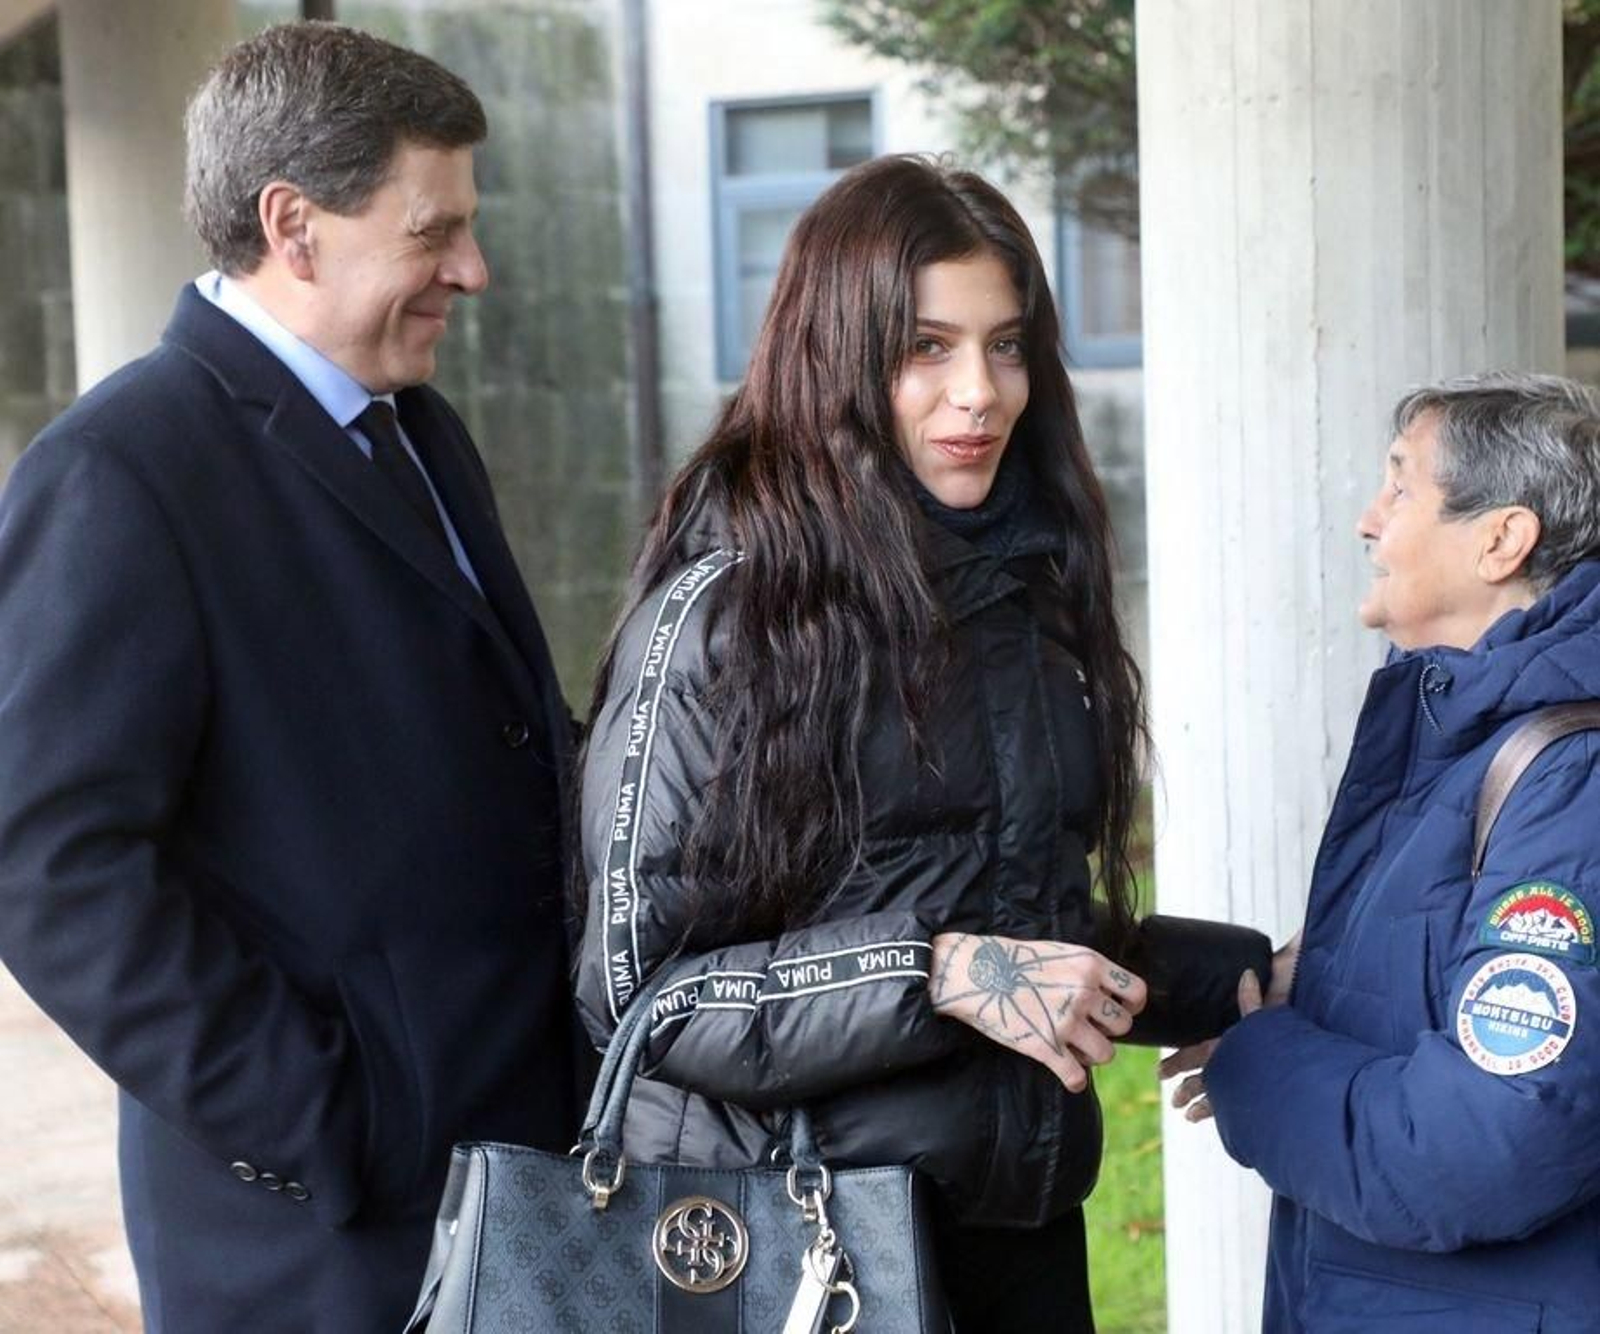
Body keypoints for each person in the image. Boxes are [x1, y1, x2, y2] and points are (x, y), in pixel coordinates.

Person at [574, 154, 1273, 1333]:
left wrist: (1235, 980)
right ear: (837, 360)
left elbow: (1008, 915)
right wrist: (938, 974)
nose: (979, 393)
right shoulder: (723, 616)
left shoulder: (1021, 594)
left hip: (1013, 1231)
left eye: (1006, 346)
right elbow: (644, 996)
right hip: (800, 1250)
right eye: (925, 349)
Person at [0, 23, 577, 1334]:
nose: (472, 270)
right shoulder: (118, 469)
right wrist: (317, 1116)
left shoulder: (422, 427)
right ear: (293, 225)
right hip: (322, 1243)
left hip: (518, 1180)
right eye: (434, 232)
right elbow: (46, 862)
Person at [1164, 373, 1600, 1332]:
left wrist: (1259, 1065)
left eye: (1401, 486)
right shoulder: (1467, 740)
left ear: (1501, 540)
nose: (1369, 519)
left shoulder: (1570, 777)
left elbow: (1487, 1147)